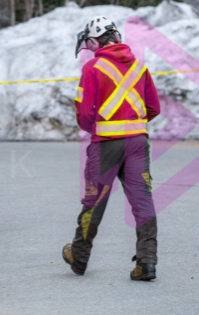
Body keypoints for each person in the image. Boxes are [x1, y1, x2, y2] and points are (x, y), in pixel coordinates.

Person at [62, 16, 161, 281]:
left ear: (95, 41)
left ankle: (79, 256)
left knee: (94, 202)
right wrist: (130, 124)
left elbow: (84, 114)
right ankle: (147, 263)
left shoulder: (93, 68)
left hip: (105, 146)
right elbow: (154, 108)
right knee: (143, 201)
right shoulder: (140, 68)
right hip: (138, 144)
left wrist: (101, 126)